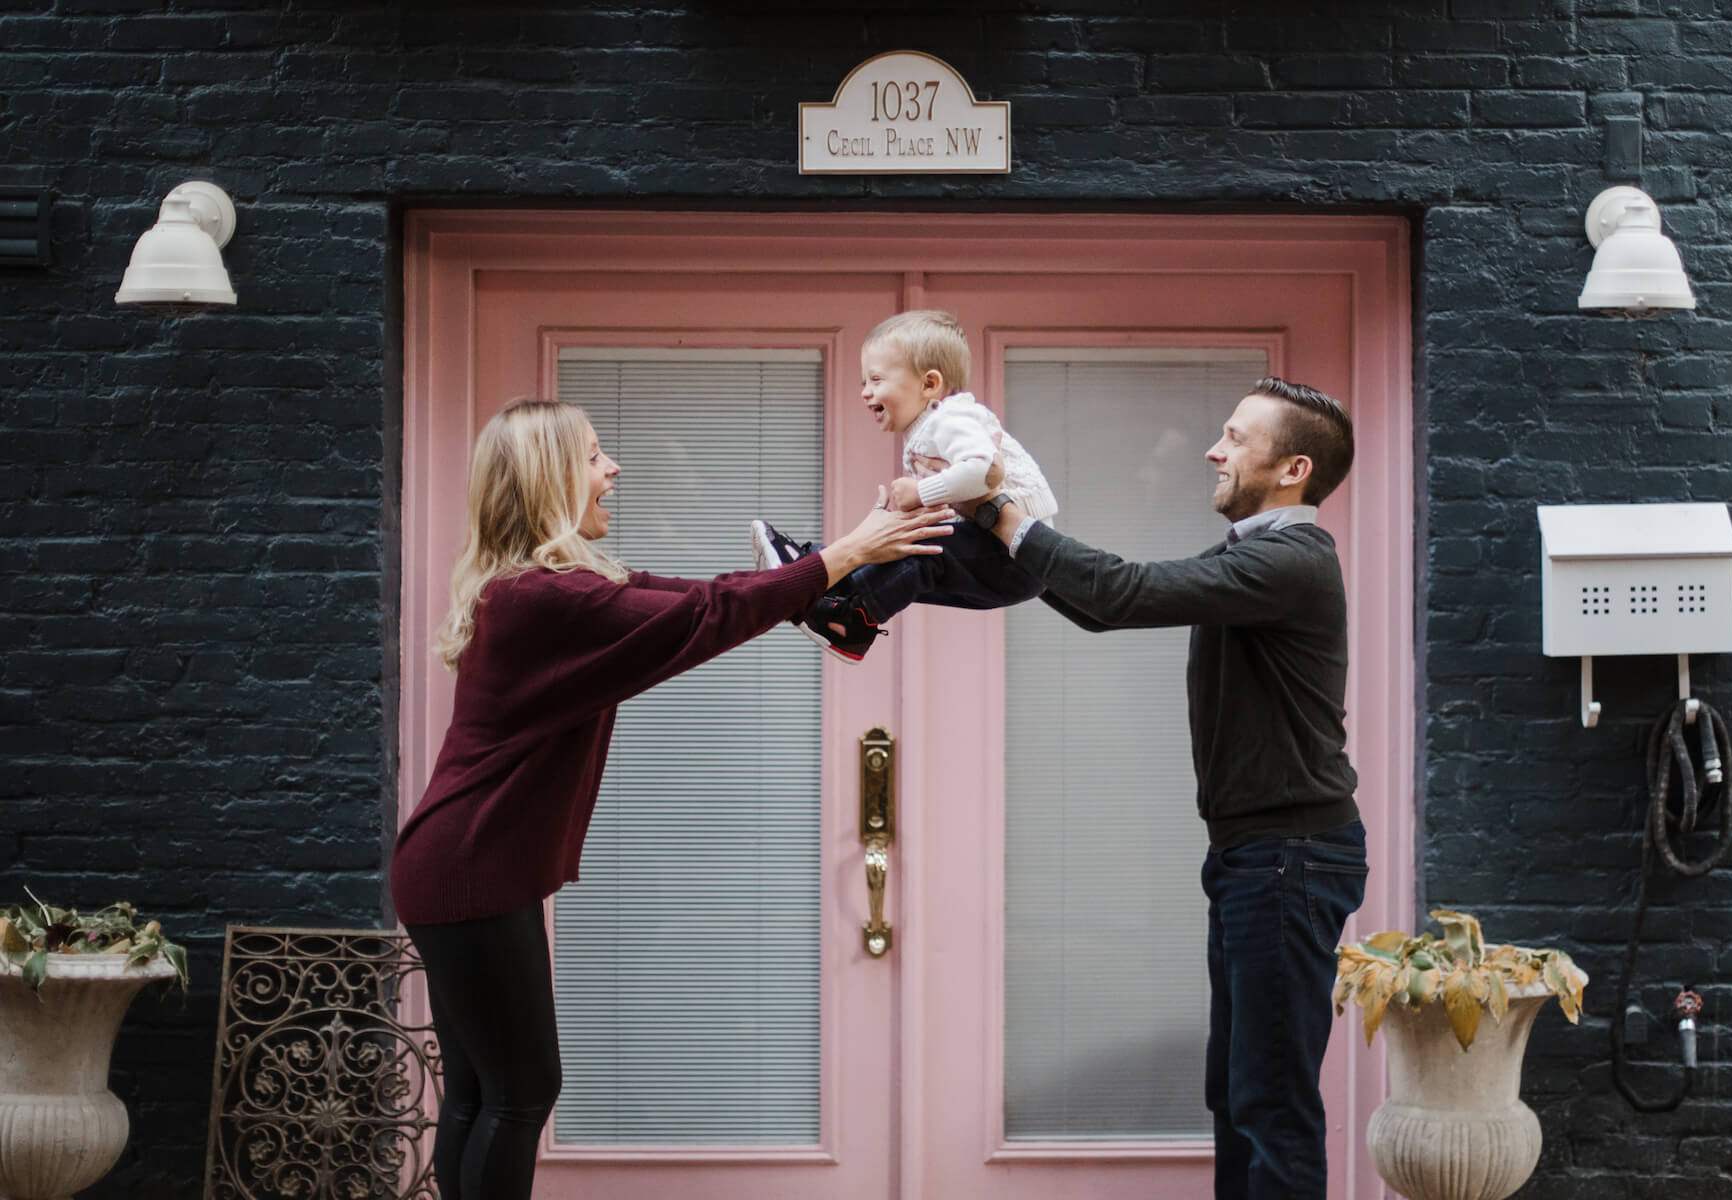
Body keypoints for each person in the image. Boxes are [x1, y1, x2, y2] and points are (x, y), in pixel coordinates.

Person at [388, 399, 950, 1200]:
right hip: (470, 867)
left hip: (457, 865)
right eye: (591, 456)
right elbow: (708, 615)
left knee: (484, 1092)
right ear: (550, 477)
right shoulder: (548, 601)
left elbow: (706, 595)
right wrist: (850, 552)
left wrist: (837, 559)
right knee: (521, 1091)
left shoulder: (547, 588)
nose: (611, 467)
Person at [969, 377, 1366, 1200]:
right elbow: (1105, 605)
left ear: (1293, 469)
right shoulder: (1252, 556)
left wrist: (1011, 518)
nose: (1214, 450)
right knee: (1238, 1093)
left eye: (1235, 436)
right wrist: (1006, 539)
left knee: (1271, 1103)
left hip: (1289, 859)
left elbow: (1125, 593)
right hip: (1259, 857)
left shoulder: (1289, 561)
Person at [748, 309, 1057, 663]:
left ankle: (837, 600)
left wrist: (920, 493)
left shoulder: (951, 417)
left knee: (915, 550)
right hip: (1008, 564)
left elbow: (986, 470)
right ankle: (830, 598)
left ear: (929, 385)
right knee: (905, 551)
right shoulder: (928, 430)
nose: (866, 392)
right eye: (864, 382)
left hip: (1015, 555)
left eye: (877, 380)